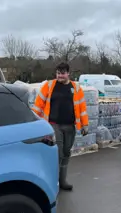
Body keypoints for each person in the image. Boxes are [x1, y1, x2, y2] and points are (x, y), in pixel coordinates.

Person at [32, 62, 89, 191]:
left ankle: (62, 180)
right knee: (58, 153)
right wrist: (33, 121)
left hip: (70, 126)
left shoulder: (76, 88)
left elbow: (82, 108)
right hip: (53, 125)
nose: (60, 76)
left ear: (68, 73)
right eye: (58, 73)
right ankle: (53, 183)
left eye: (62, 73)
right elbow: (38, 105)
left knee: (66, 152)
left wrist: (85, 124)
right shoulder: (49, 85)